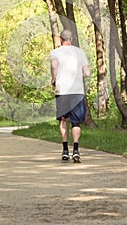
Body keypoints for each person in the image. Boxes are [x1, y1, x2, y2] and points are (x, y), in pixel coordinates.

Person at [50, 29, 90, 163]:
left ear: (61, 40)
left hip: (62, 90)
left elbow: (54, 66)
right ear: (71, 39)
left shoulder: (55, 52)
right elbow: (87, 72)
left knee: (63, 120)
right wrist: (80, 75)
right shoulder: (80, 52)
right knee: (76, 122)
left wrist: (54, 79)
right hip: (77, 91)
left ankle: (65, 150)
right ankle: (76, 150)